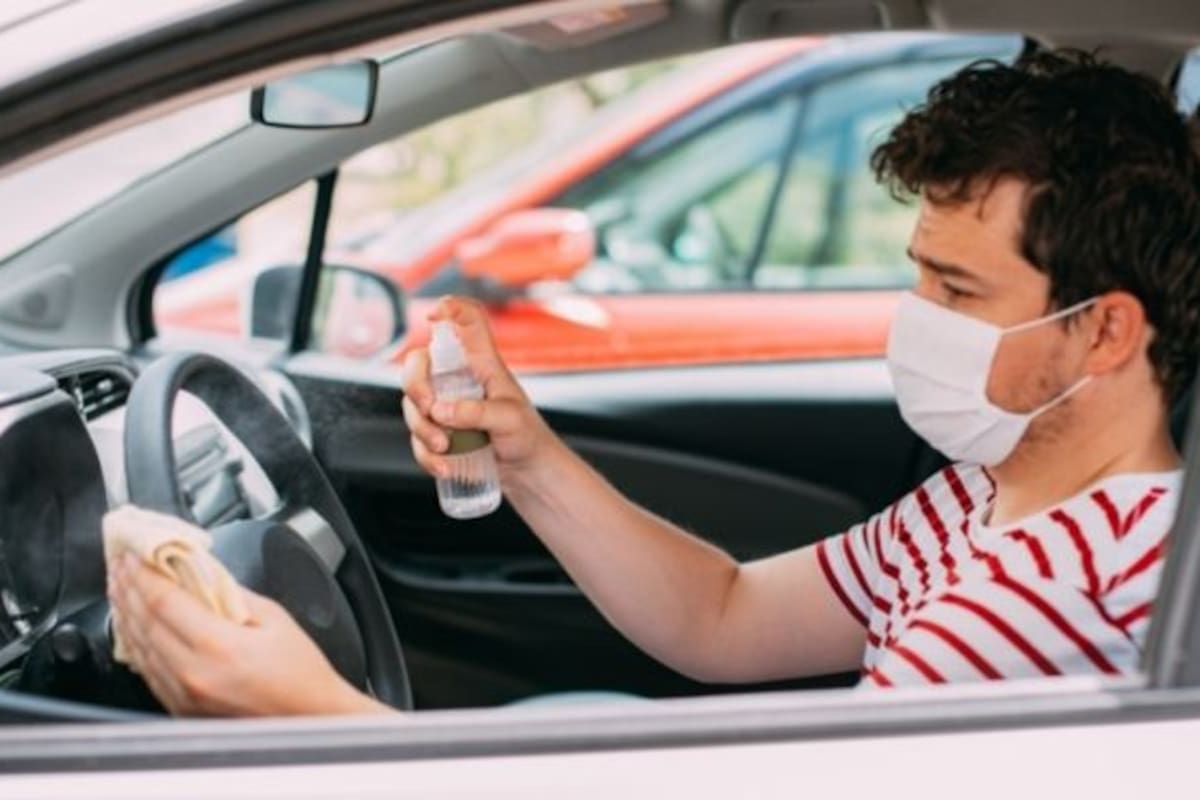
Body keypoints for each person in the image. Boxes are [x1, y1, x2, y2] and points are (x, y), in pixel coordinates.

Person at [108, 48, 1200, 715]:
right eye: (915, 274)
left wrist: (314, 720)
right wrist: (525, 449)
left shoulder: (1113, 582)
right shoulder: (987, 489)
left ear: (1104, 330)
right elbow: (723, 615)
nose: (915, 320)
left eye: (957, 291)